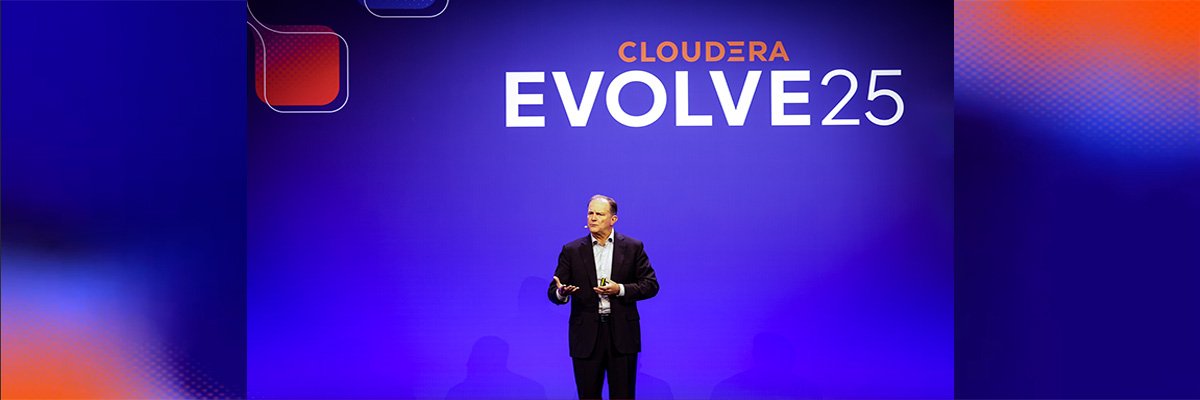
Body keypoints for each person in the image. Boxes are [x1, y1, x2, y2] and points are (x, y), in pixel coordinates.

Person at [549, 194, 659, 400]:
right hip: (586, 336)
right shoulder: (572, 250)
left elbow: (651, 285)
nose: (593, 218)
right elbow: (553, 291)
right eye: (590, 213)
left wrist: (620, 289)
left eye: (599, 214)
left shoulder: (633, 247)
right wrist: (561, 293)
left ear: (613, 219)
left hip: (622, 334)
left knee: (623, 395)